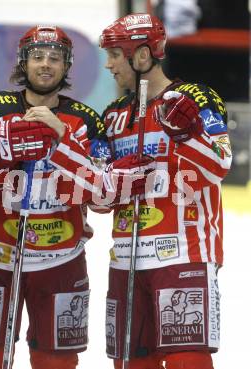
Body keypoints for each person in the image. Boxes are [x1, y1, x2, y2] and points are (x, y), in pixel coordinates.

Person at [0, 25, 152, 369]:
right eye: (37, 57)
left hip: (61, 260)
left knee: (57, 361)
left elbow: (102, 195)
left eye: (54, 58)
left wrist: (62, 136)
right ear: (23, 62)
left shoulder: (86, 121)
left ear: (67, 66)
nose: (45, 64)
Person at [50, 13, 232, 369]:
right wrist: (113, 175)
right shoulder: (114, 115)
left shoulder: (197, 98)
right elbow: (100, 198)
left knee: (187, 361)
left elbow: (219, 164)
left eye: (116, 54)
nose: (108, 64)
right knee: (129, 363)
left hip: (184, 254)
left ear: (143, 56)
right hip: (126, 260)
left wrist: (186, 135)